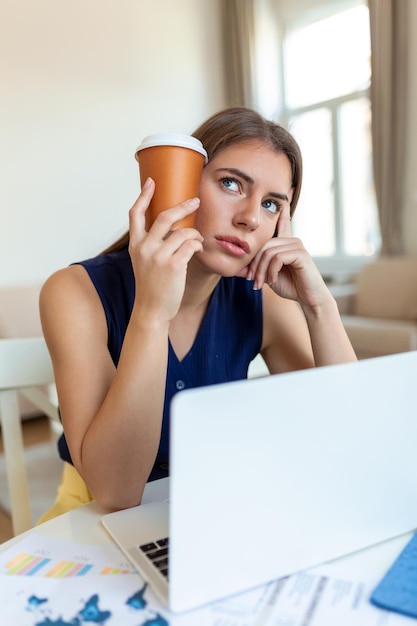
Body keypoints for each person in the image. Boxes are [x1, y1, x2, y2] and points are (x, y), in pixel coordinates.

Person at [38, 106, 356, 523]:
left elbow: (351, 438)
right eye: (231, 183)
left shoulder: (262, 298)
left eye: (272, 205)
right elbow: (115, 493)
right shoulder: (74, 292)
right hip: (90, 522)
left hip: (209, 507)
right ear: (181, 183)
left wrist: (320, 306)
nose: (250, 218)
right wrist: (152, 312)